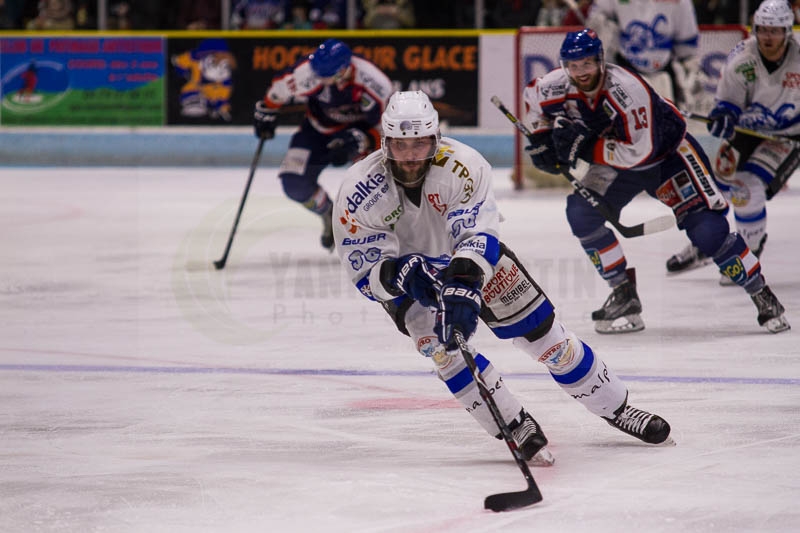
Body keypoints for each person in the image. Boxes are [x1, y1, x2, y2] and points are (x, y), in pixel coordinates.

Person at [333, 90, 674, 465]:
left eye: (420, 144)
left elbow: (478, 235)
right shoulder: (357, 190)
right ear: (386, 144)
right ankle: (514, 424)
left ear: (436, 139)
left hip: (473, 262)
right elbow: (365, 272)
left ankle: (618, 408)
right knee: (444, 353)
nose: (411, 155)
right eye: (401, 145)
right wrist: (404, 276)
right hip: (406, 281)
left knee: (549, 341)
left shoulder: (465, 165)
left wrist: (462, 283)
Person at [522, 29, 790, 334]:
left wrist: (584, 148)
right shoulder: (554, 85)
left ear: (601, 61)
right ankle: (623, 293)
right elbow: (532, 97)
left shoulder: (626, 90)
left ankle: (759, 291)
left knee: (708, 231)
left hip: (667, 158)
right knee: (581, 213)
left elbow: (640, 151)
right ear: (565, 65)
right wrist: (541, 138)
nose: (581, 72)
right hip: (616, 162)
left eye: (587, 63)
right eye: (574, 65)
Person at [665, 0, 800, 285]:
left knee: (746, 187)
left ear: (788, 30)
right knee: (709, 189)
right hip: (746, 132)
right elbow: (727, 103)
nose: (767, 36)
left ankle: (746, 254)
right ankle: (707, 243)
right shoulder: (742, 58)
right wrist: (725, 115)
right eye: (763, 29)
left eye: (775, 31)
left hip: (787, 137)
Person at [253, 39, 392, 251]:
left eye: (324, 75)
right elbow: (279, 89)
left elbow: (387, 129)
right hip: (317, 131)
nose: (317, 78)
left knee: (374, 185)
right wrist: (267, 109)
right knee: (294, 183)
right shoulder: (308, 71)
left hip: (360, 134)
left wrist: (362, 139)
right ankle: (329, 213)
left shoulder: (375, 83)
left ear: (344, 69)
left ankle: (373, 232)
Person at [586, 0, 705, 112]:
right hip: (624, 68)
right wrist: (598, 25)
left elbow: (686, 43)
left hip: (664, 71)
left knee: (667, 124)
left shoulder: (679, 2)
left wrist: (689, 65)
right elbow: (597, 18)